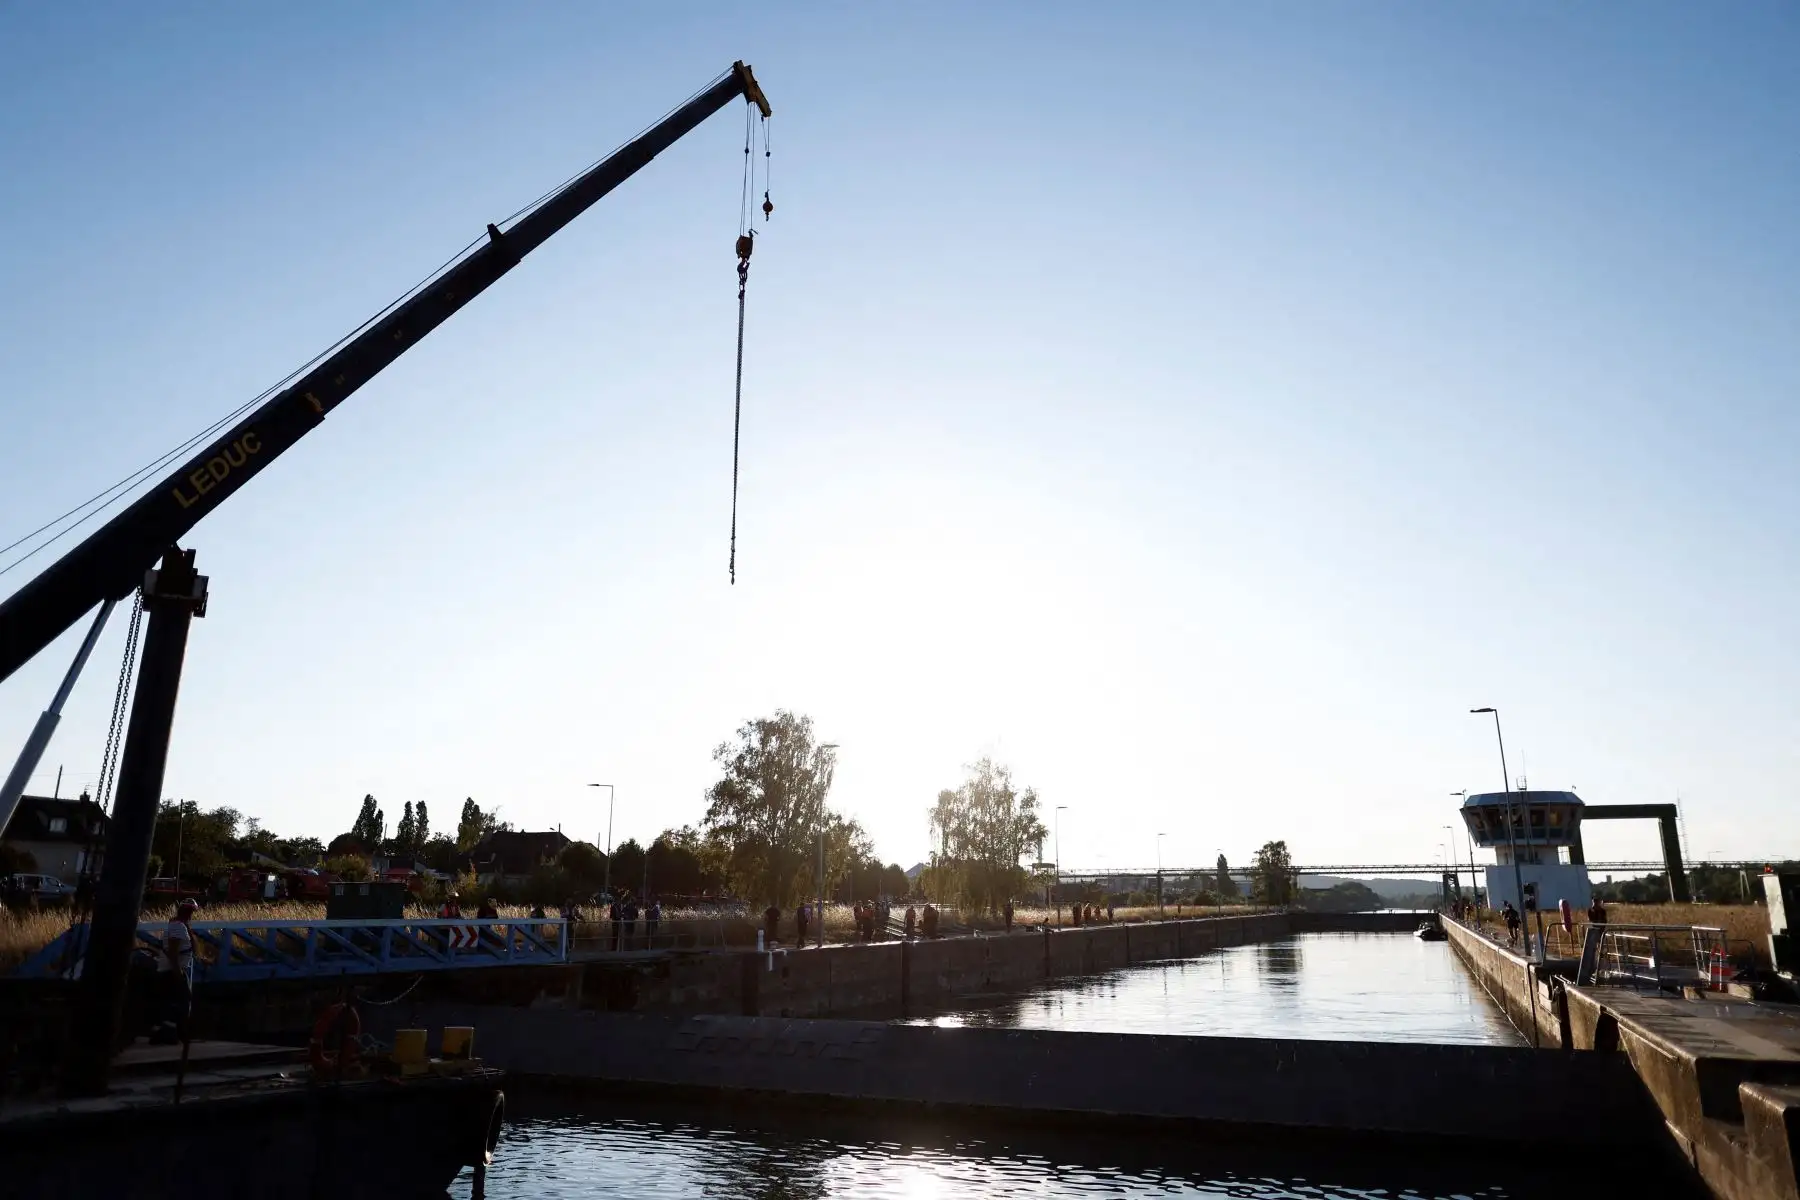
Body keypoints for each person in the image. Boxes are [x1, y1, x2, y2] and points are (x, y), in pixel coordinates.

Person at [151, 898, 197, 1045]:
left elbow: (189, 948)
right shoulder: (177, 927)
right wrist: (178, 972)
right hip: (171, 970)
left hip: (173, 969)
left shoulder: (181, 926)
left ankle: (166, 1033)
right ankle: (171, 1033)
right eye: (191, 912)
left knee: (171, 1001)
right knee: (181, 1000)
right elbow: (173, 951)